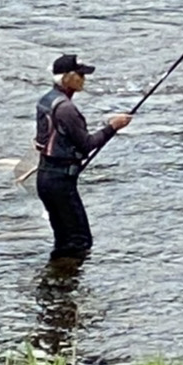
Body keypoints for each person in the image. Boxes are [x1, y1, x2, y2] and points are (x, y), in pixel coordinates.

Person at [34, 53, 131, 260]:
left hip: (45, 177)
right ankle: (66, 277)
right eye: (80, 75)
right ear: (67, 78)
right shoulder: (66, 109)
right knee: (80, 240)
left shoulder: (46, 101)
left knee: (63, 238)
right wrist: (113, 127)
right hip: (60, 181)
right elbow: (87, 145)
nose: (84, 79)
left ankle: (57, 275)